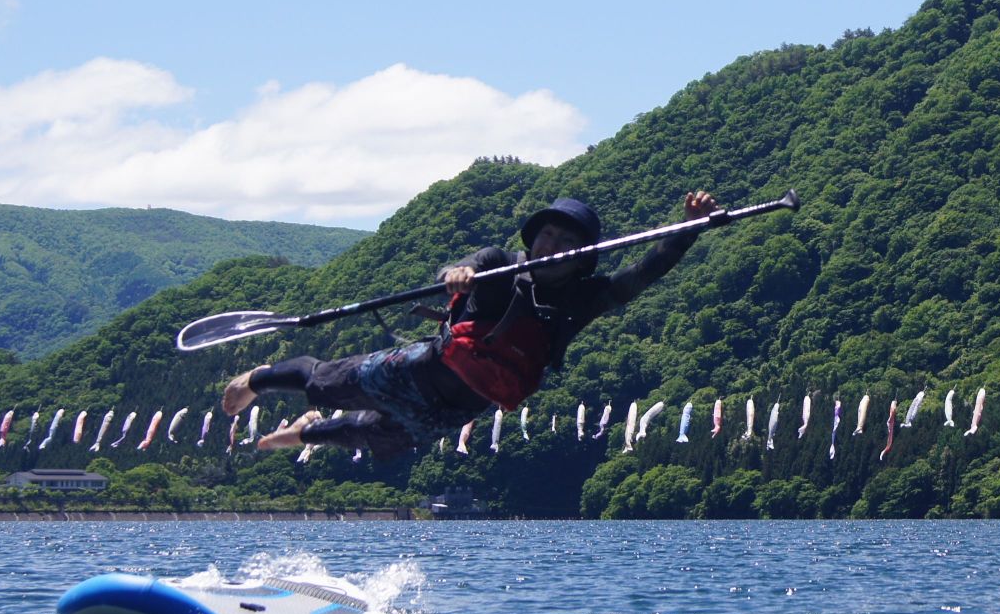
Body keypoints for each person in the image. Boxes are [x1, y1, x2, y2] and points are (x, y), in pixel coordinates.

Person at [224, 190, 717, 457]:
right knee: (323, 382)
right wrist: (457, 276)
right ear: (533, 239)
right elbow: (459, 268)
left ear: (581, 259)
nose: (552, 246)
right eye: (547, 235)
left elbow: (643, 274)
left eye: (566, 242)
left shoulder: (582, 300)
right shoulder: (500, 265)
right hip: (418, 370)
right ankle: (256, 379)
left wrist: (691, 230)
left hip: (462, 406)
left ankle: (304, 434)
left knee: (381, 438)